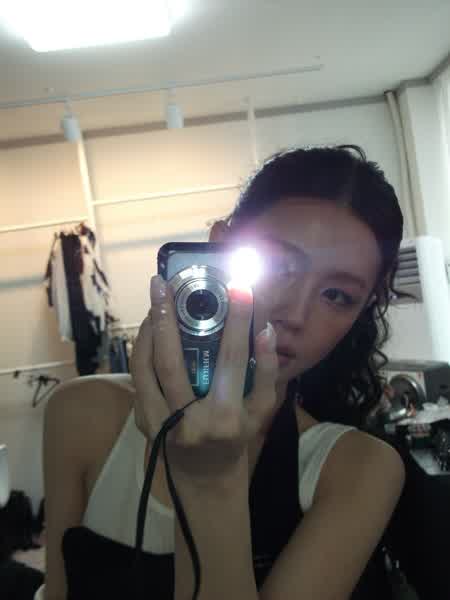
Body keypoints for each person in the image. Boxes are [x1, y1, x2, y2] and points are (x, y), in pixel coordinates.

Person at [39, 145, 406, 600]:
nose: (294, 314)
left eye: (336, 296)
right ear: (218, 247)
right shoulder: (82, 413)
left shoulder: (358, 468)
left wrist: (208, 480)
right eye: (277, 266)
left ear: (361, 312)